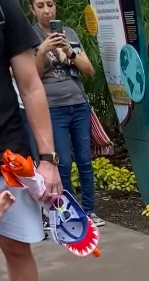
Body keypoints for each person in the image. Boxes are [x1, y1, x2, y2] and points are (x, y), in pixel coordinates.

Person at [0, 0, 64, 281]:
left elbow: (30, 83)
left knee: (17, 246)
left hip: (9, 154)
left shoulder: (6, 9)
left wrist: (47, 160)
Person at [29, 0, 103, 227]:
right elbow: (31, 77)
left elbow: (89, 70)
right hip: (52, 108)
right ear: (32, 10)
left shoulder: (68, 32)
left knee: (84, 160)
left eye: (50, 4)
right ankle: (68, 211)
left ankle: (89, 210)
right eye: (40, 5)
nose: (46, 10)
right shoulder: (29, 35)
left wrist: (68, 50)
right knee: (63, 162)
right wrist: (43, 50)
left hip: (78, 103)